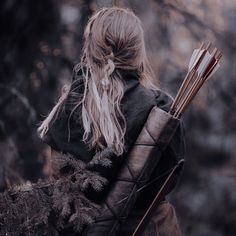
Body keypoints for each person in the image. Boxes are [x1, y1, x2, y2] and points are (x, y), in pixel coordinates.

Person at [37, 6, 185, 236]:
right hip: (152, 229)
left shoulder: (68, 111)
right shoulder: (161, 109)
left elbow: (58, 187)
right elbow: (169, 180)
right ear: (137, 52)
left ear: (91, 49)